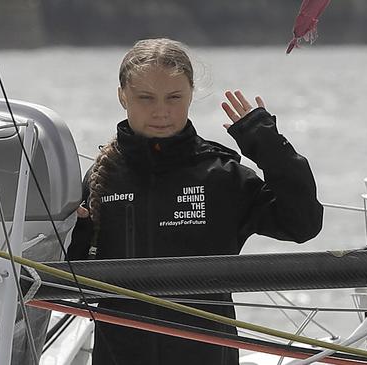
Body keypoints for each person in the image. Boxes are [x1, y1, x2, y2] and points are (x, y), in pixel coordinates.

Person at [66, 38, 323, 364]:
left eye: (174, 98)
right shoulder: (100, 179)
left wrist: (266, 144)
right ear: (122, 96)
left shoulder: (221, 176)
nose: (161, 111)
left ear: (191, 95)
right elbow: (73, 282)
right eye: (146, 98)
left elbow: (303, 224)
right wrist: (77, 234)